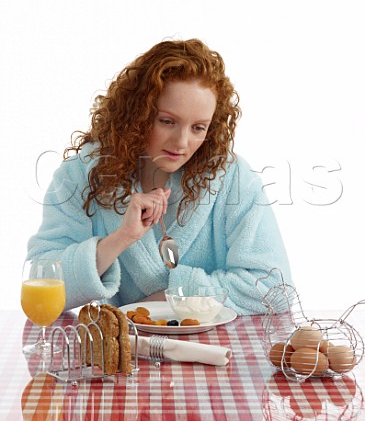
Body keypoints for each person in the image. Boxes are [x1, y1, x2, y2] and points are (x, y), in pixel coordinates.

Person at [27, 38, 292, 314]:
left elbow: (275, 288)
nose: (181, 142)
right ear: (137, 114)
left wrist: (169, 297)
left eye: (198, 128)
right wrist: (121, 237)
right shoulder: (81, 175)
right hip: (124, 348)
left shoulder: (233, 178)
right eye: (167, 121)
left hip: (213, 348)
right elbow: (41, 283)